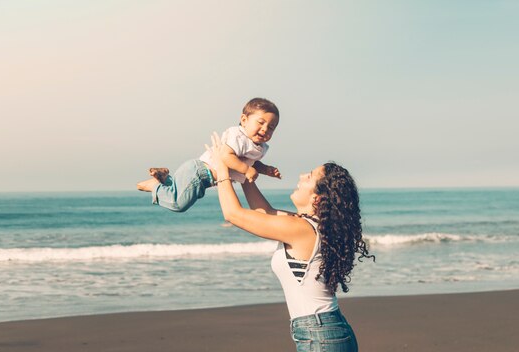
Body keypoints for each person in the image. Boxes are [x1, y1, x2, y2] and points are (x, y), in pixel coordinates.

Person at [206, 132, 374, 352]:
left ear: (318, 198)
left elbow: (233, 214)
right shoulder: (307, 225)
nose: (302, 175)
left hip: (320, 335)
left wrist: (221, 168)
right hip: (325, 331)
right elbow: (264, 212)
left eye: (310, 177)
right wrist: (243, 168)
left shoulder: (302, 230)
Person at [136, 98, 282, 212]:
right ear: (244, 120)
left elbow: (252, 162)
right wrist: (246, 170)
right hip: (199, 172)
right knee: (178, 204)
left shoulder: (257, 146)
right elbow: (226, 156)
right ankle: (155, 186)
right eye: (261, 123)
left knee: (179, 191)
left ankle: (164, 177)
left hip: (204, 178)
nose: (265, 129)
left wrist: (265, 169)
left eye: (271, 127)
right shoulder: (238, 136)